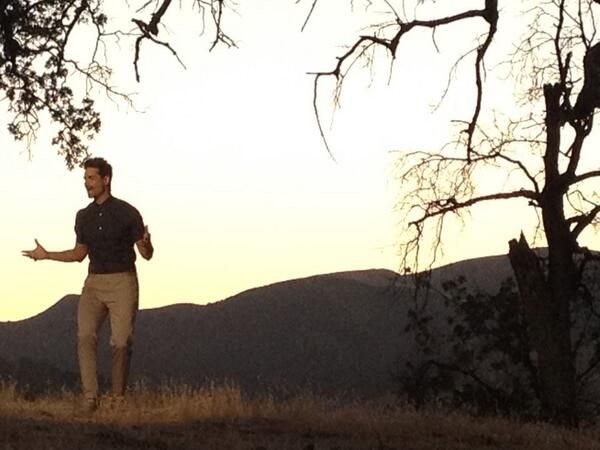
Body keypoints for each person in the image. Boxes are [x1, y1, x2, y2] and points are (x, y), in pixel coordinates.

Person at [22, 157, 154, 412]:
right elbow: (79, 254)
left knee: (121, 342)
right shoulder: (84, 216)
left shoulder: (128, 212)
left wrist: (147, 243)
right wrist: (47, 255)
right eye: (85, 178)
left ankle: (117, 401)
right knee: (85, 336)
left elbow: (146, 254)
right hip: (93, 283)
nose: (87, 183)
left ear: (106, 179)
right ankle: (90, 399)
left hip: (122, 281)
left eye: (91, 178)